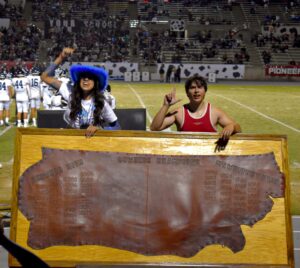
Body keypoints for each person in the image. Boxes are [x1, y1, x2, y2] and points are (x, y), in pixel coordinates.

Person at [41, 47, 120, 137]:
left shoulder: (101, 103)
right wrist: (61, 57)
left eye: (90, 78)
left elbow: (117, 126)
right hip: (71, 140)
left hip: (92, 144)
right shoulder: (70, 91)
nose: (86, 79)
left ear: (96, 83)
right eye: (83, 77)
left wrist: (100, 129)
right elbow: (44, 77)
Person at [150, 75, 241, 140]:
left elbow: (238, 128)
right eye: (192, 88)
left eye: (200, 87)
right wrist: (166, 106)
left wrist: (231, 126)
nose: (196, 91)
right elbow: (154, 128)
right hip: (186, 161)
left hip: (208, 161)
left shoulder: (215, 112)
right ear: (187, 93)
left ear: (205, 91)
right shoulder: (179, 113)